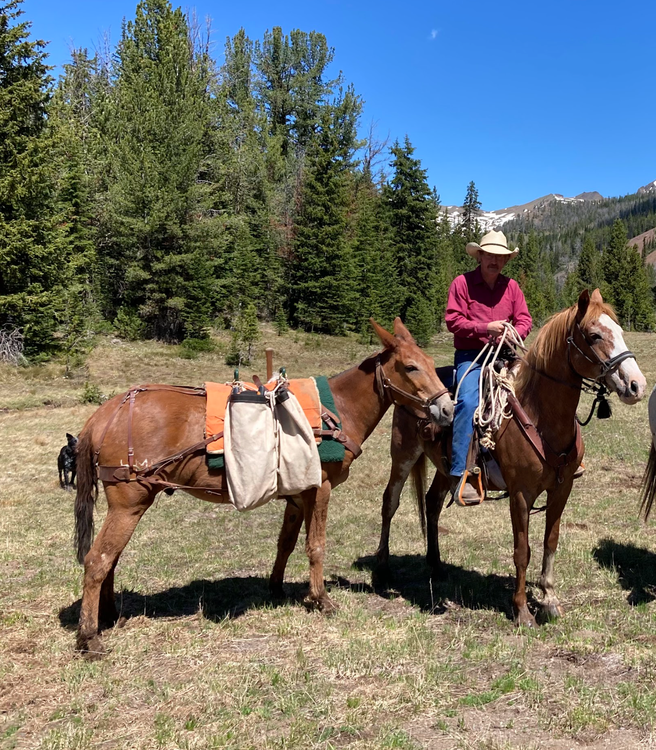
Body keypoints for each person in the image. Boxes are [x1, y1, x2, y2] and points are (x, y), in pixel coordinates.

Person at [445, 229, 532, 504]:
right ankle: (461, 474)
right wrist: (486, 327)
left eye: (500, 257)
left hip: (506, 354)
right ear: (480, 256)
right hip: (472, 355)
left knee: (539, 390)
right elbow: (453, 321)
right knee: (469, 403)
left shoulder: (512, 287)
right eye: (490, 255)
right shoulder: (462, 283)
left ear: (506, 260)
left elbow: (525, 320)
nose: (494, 261)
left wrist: (513, 332)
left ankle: (554, 458)